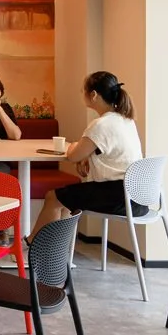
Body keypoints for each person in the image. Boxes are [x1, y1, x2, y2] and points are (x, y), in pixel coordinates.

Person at [34, 70, 144, 229]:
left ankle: (32, 241)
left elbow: (73, 155)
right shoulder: (126, 120)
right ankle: (56, 243)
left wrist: (75, 147)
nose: (82, 93)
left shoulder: (101, 124)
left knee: (53, 197)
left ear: (93, 95)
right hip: (139, 196)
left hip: (119, 196)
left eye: (83, 90)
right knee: (65, 199)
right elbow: (102, 149)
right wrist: (87, 155)